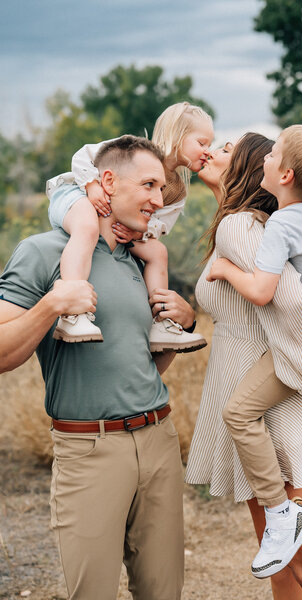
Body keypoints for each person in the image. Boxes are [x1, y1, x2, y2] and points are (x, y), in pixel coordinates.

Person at [0, 135, 196, 600]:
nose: (158, 198)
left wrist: (182, 321)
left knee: (163, 593)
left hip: (159, 442)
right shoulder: (43, 253)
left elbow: (140, 365)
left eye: (162, 187)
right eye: (149, 184)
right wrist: (52, 304)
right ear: (108, 181)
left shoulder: (140, 259)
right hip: (89, 451)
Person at [185, 133, 302, 599]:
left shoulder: (240, 227)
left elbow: (293, 301)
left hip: (275, 411)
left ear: (245, 166)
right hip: (266, 396)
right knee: (285, 570)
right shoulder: (250, 222)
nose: (211, 151)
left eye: (224, 147)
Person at [46, 102, 213, 351]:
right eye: (202, 143)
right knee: (87, 227)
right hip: (75, 193)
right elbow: (82, 156)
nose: (208, 151)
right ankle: (72, 312)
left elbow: (161, 226)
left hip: (121, 223)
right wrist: (92, 185)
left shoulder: (177, 189)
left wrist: (141, 232)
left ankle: (161, 322)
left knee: (159, 252)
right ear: (178, 136)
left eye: (210, 145)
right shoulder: (133, 150)